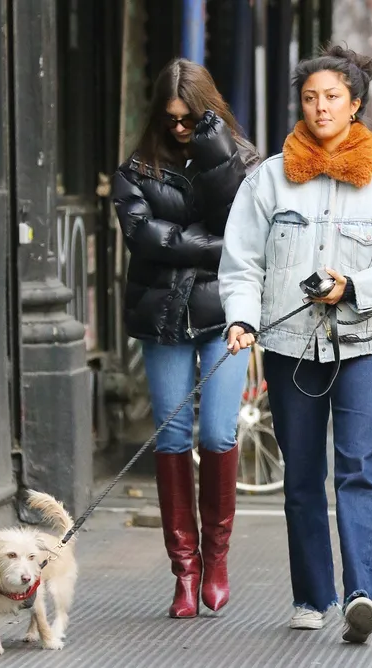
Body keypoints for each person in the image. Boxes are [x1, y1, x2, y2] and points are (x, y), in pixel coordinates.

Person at [218, 45, 372, 643]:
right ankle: (313, 596)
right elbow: (241, 262)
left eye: (333, 97)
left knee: (360, 469)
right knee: (302, 476)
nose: (321, 107)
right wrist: (242, 319)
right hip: (289, 347)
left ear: (354, 104)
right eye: (311, 97)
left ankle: (361, 595)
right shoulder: (269, 180)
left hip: (363, 345)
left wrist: (355, 288)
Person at [112, 58, 259, 619]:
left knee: (219, 433)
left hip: (226, 315)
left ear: (208, 112)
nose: (178, 127)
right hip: (164, 317)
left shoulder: (242, 160)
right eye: (170, 118)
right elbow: (142, 236)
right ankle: (185, 571)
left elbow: (246, 232)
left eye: (188, 118)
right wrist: (209, 247)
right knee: (172, 438)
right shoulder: (136, 168)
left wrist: (216, 154)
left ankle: (216, 560)